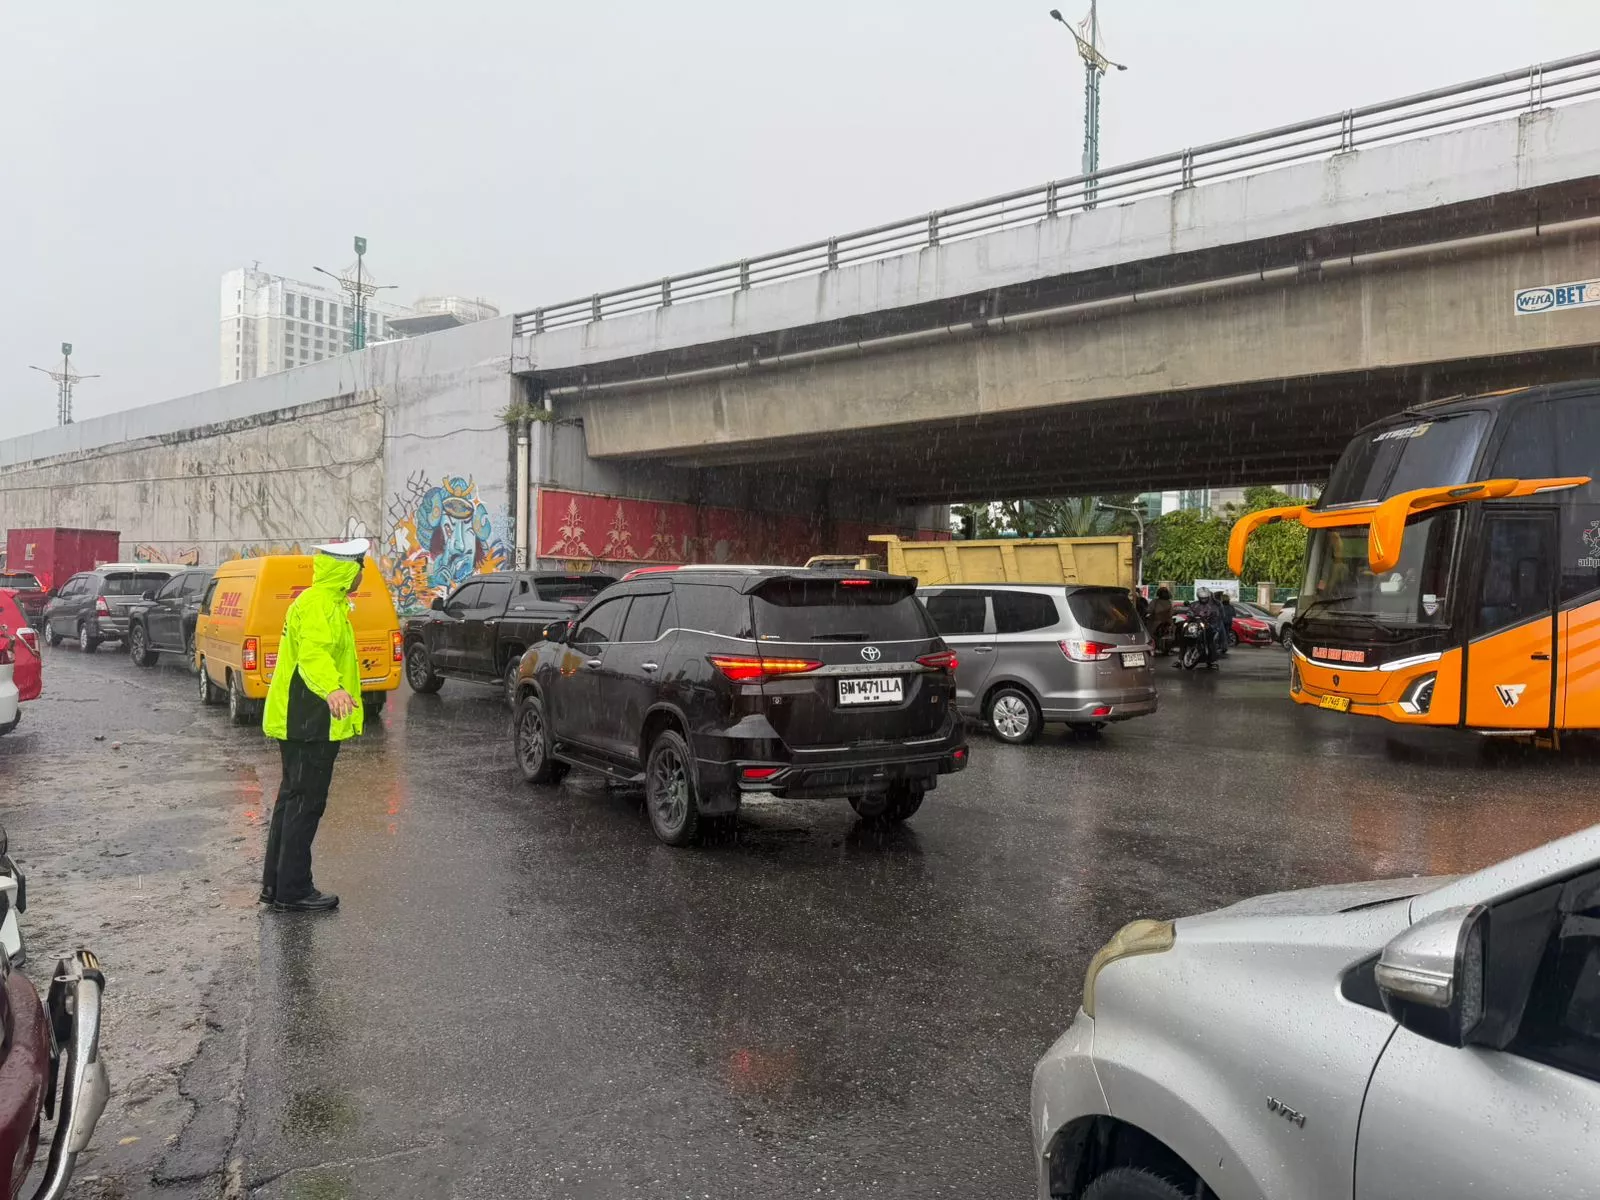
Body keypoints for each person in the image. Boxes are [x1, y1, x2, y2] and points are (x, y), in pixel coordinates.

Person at [259, 538, 370, 912]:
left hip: (300, 715)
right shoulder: (322, 603)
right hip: (310, 716)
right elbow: (314, 654)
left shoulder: (318, 600)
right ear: (347, 570)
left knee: (291, 799)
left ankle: (276, 885)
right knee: (305, 802)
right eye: (361, 567)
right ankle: (293, 890)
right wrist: (333, 689)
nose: (363, 575)